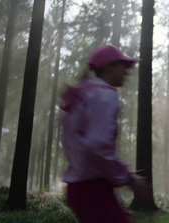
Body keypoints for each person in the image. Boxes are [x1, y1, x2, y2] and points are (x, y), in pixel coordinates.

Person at [60, 45, 146, 223]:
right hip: (93, 188)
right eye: (124, 67)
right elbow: (97, 144)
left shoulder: (81, 95)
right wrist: (127, 177)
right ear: (109, 67)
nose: (127, 73)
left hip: (78, 188)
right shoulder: (105, 96)